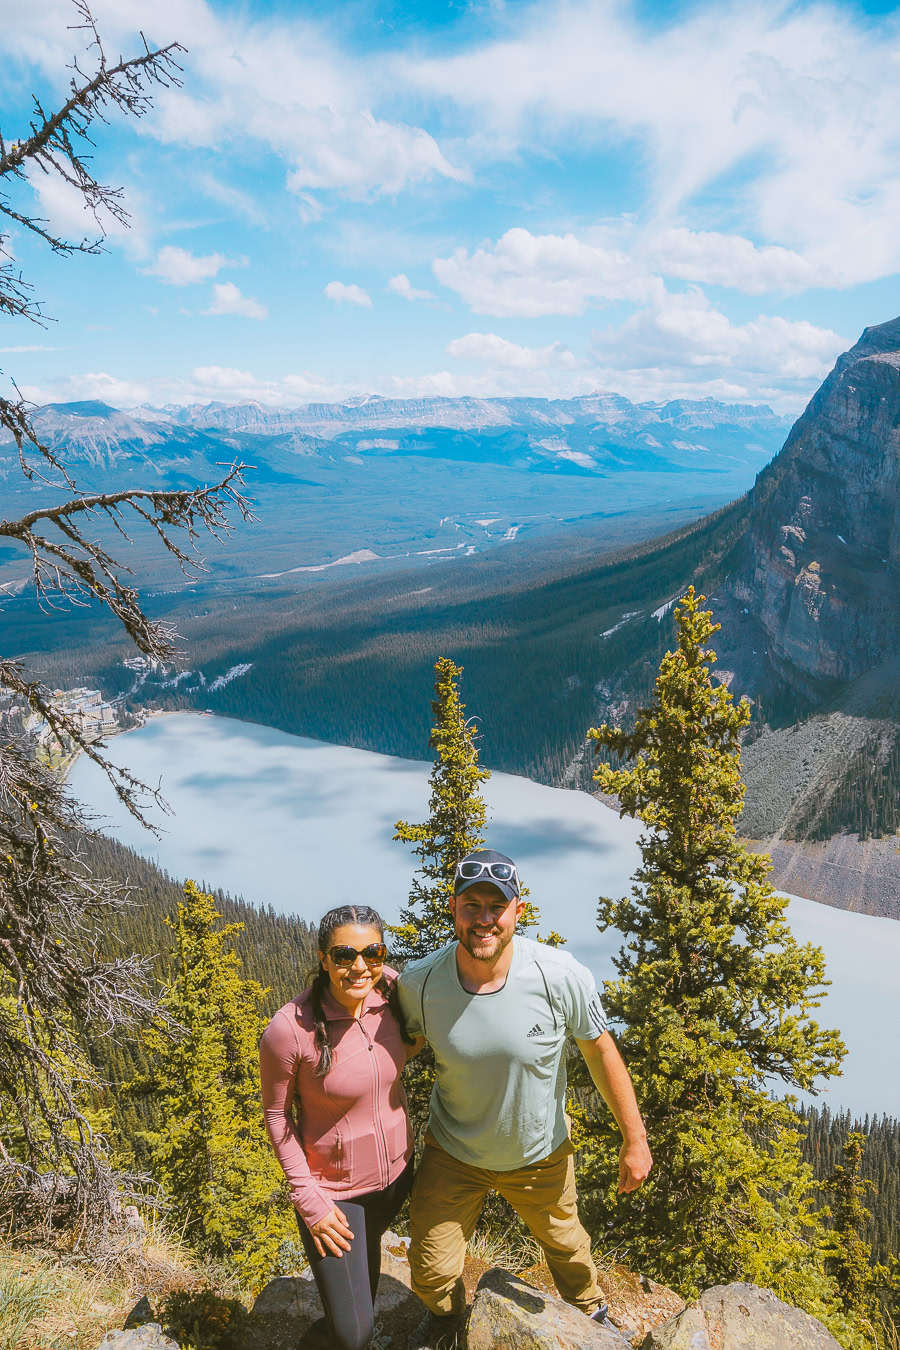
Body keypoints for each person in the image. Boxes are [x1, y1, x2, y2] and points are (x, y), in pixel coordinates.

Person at [397, 849, 653, 1346]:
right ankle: (450, 1318)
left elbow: (601, 1052)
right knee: (428, 1269)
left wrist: (635, 1138)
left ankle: (591, 1317)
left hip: (539, 1154)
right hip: (454, 1154)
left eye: (497, 907)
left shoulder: (558, 976)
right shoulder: (421, 984)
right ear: (453, 907)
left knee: (567, 1248)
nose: (484, 919)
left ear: (518, 910)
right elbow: (396, 1052)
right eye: (472, 905)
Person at [260, 904, 422, 1350]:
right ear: (322, 957)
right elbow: (277, 1117)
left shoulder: (392, 995)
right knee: (354, 1335)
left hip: (395, 1182)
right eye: (343, 954)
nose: (359, 966)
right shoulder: (290, 1029)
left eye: (372, 953)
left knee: (359, 1310)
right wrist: (309, 1200)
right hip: (336, 1198)